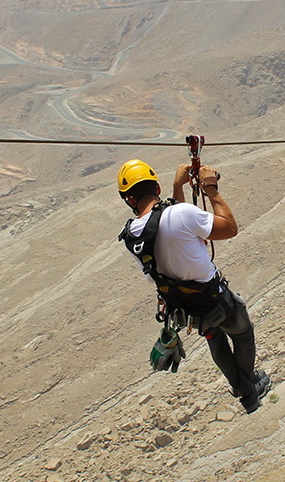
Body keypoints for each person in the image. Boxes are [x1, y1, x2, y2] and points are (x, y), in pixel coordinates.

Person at [116, 158, 270, 412]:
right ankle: (249, 389)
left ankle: (246, 393)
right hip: (215, 297)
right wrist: (210, 188)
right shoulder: (181, 214)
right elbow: (229, 228)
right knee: (242, 334)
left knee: (214, 338)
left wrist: (179, 188)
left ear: (129, 199)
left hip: (186, 307)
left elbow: (174, 230)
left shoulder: (132, 235)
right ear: (156, 187)